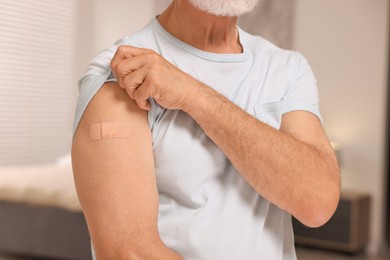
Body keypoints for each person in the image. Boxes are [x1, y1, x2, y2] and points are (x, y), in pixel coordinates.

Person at [71, 0, 340, 259]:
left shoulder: (288, 69)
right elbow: (130, 253)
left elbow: (318, 204)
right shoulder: (124, 73)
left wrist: (194, 94)